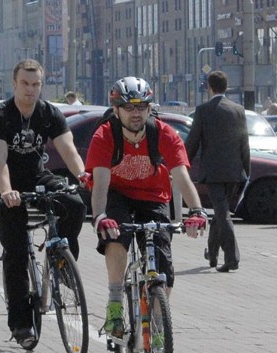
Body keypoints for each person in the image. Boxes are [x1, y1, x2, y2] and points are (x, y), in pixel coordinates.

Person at [86, 76, 207, 338]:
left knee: (163, 264)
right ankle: (116, 304)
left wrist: (197, 211)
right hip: (117, 194)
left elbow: (182, 177)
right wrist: (100, 217)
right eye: (128, 107)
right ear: (116, 110)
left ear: (150, 108)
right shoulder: (105, 134)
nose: (135, 113)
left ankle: (158, 324)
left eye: (141, 107)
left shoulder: (163, 133)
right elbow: (101, 184)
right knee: (116, 235)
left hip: (154, 195)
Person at [0, 59, 88, 349]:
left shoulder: (49, 113)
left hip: (38, 177)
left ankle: (63, 261)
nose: (30, 90)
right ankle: (20, 323)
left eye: (36, 84)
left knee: (75, 204)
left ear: (42, 85)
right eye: (25, 84)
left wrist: (83, 176)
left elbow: (68, 150)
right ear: (15, 84)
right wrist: (6, 192)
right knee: (16, 252)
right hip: (8, 185)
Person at [184, 71, 249, 273]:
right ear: (226, 87)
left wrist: (181, 164)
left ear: (209, 87)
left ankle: (232, 258)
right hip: (234, 172)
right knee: (221, 214)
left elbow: (193, 140)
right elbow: (244, 142)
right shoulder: (238, 110)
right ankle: (212, 255)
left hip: (213, 173)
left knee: (222, 214)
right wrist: (246, 170)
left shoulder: (203, 110)